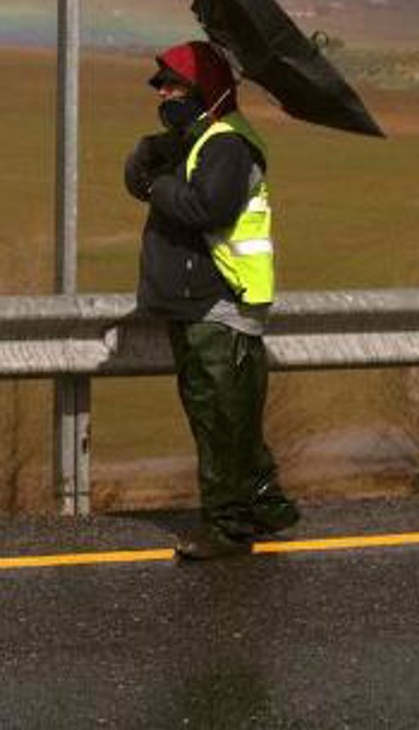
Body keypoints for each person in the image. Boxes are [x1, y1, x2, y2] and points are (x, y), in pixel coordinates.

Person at [124, 39, 300, 560]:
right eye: (162, 86)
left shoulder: (226, 145)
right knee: (229, 415)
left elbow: (209, 208)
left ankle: (228, 527)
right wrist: (148, 158)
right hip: (199, 302)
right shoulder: (199, 139)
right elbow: (138, 178)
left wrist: (158, 185)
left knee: (220, 419)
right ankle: (265, 505)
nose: (164, 93)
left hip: (219, 303)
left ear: (205, 91)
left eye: (174, 85)